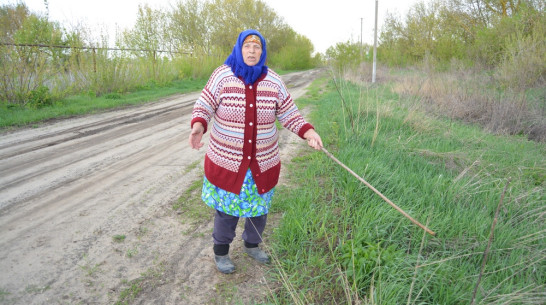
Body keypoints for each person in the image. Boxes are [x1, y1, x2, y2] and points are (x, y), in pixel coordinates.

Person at [188, 29, 322, 274]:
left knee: (259, 210)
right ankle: (221, 253)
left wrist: (308, 132)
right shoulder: (222, 76)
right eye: (247, 46)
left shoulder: (273, 80)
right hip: (228, 161)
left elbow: (289, 113)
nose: (252, 50)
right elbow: (204, 104)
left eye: (257, 47)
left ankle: (252, 245)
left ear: (263, 51)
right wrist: (198, 125)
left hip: (263, 161)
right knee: (227, 212)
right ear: (239, 49)